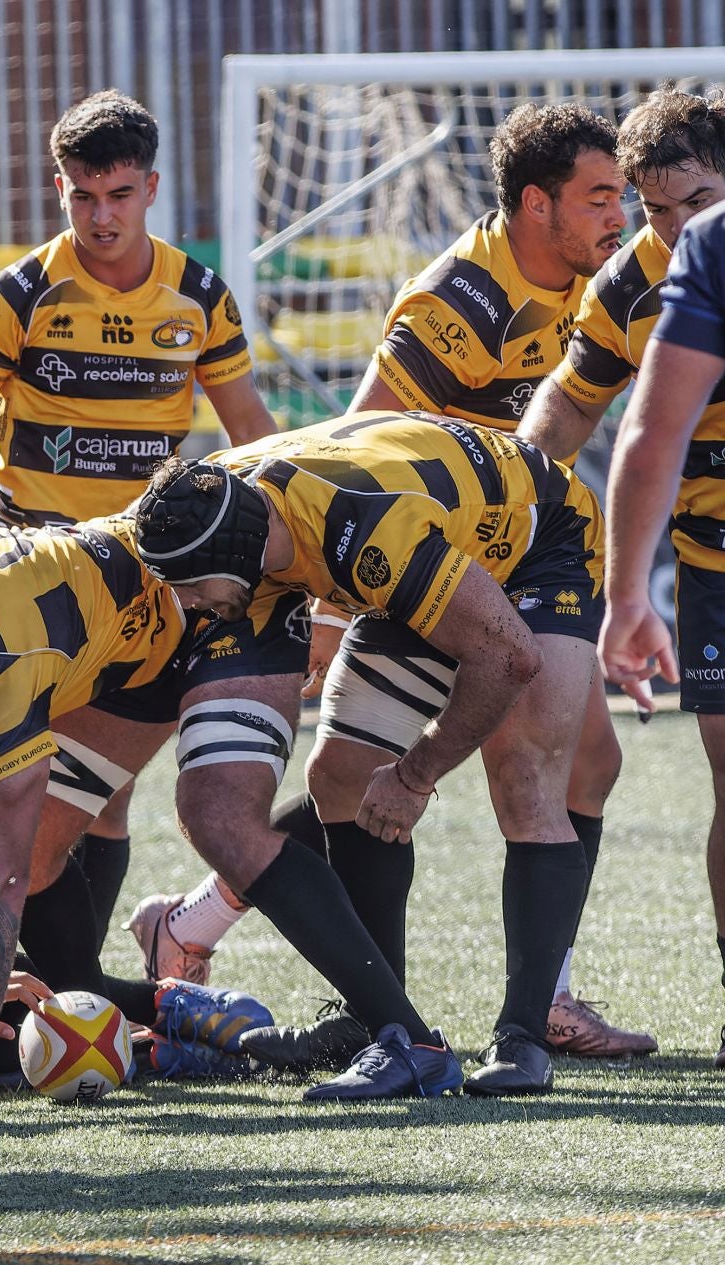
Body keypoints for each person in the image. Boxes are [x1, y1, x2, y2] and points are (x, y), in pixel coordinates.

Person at [146, 102, 645, 1060]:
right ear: (537, 205)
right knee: (459, 770)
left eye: (621, 196)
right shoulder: (461, 302)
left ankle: (202, 923)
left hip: (522, 540)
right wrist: (337, 608)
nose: (614, 216)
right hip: (434, 560)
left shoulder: (592, 282)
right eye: (599, 197)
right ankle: (512, 1013)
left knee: (580, 766)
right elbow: (363, 443)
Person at [132, 407, 606, 1097]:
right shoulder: (224, 497)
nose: (191, 605)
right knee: (342, 778)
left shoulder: (361, 529)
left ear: (237, 553)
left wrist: (417, 775)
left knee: (525, 779)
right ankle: (378, 1027)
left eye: (194, 587)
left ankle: (523, 1039)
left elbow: (507, 657)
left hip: (545, 536)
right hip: (435, 538)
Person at [0, 90, 278, 995]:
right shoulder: (22, 292)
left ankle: (59, 993)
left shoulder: (198, 298)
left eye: (118, 194)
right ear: (61, 188)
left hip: (147, 581)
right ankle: (58, 990)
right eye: (82, 196)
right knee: (40, 792)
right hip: (39, 578)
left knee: (104, 799)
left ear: (151, 186)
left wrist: (275, 559)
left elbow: (255, 439)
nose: (101, 215)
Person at [0, 523, 285, 1116]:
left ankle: (390, 1031)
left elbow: (0, 881)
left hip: (163, 631)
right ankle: (165, 1011)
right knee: (15, 934)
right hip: (75, 606)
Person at [516, 90, 725, 1057]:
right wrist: (503, 501)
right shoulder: (631, 285)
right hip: (711, 564)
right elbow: (572, 414)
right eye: (656, 211)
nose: (678, 229)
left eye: (698, 201)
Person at [596, 187, 725, 1071]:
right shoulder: (685, 254)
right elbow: (645, 431)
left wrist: (627, 595)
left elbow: (651, 433)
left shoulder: (714, 244)